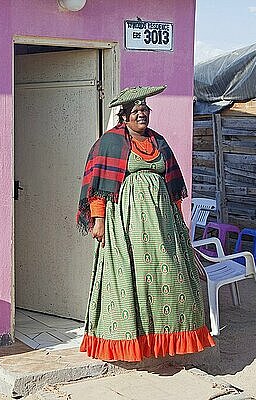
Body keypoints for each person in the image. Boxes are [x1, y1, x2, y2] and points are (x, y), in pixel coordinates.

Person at [76, 85, 215, 362]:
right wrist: (99, 220)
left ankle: (166, 341)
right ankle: (129, 342)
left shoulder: (159, 142)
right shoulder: (110, 143)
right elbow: (98, 186)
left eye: (145, 111)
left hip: (163, 224)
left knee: (169, 276)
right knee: (128, 278)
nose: (142, 115)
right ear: (124, 116)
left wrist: (179, 219)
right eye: (136, 111)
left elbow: (173, 185)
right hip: (125, 225)